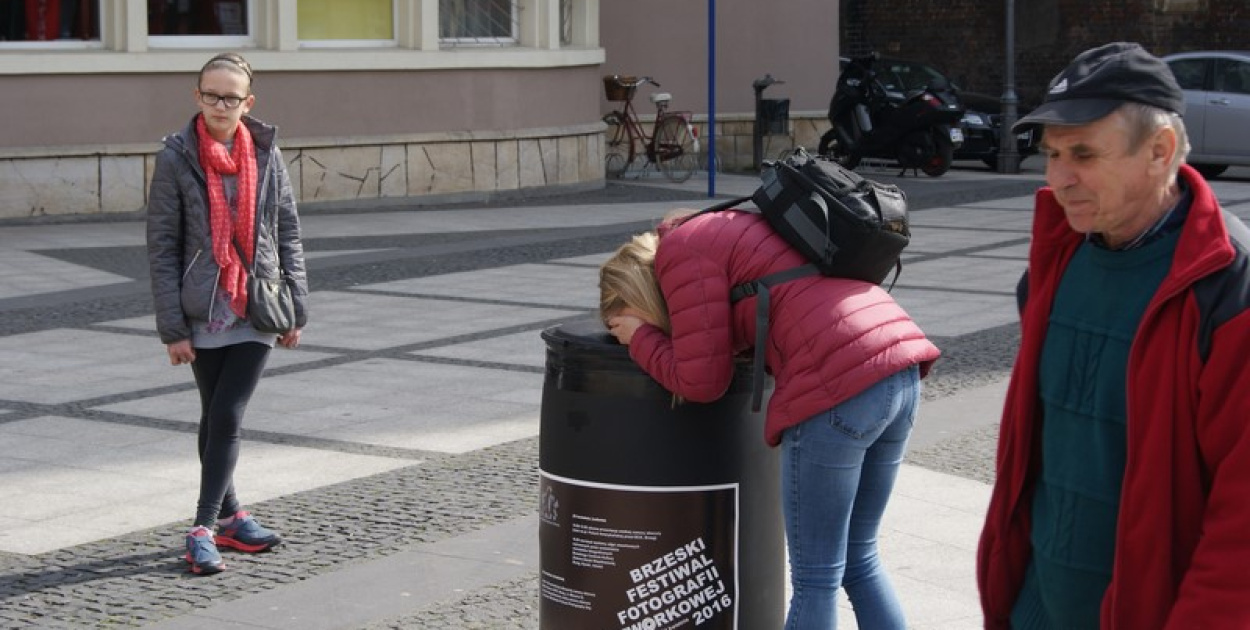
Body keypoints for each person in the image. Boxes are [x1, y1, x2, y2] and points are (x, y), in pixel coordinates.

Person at [977, 42, 1250, 629]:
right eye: (1050, 154)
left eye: (1083, 154)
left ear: (1160, 150)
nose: (1058, 178)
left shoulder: (1227, 287)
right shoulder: (1056, 261)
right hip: (1034, 607)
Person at [599, 208, 941, 629]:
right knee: (859, 557)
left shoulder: (681, 253)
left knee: (816, 579)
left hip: (837, 385)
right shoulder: (727, 227)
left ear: (636, 293)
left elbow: (702, 381)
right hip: (899, 366)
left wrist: (641, 338)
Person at [146, 52, 308, 576]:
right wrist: (172, 327)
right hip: (202, 308)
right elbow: (162, 245)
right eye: (211, 95)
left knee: (228, 415)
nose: (221, 104)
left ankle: (202, 528)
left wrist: (295, 308)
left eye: (231, 97)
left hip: (256, 305)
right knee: (214, 414)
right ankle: (234, 517)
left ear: (248, 102)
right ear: (197, 96)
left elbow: (287, 232)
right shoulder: (176, 156)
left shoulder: (266, 154)